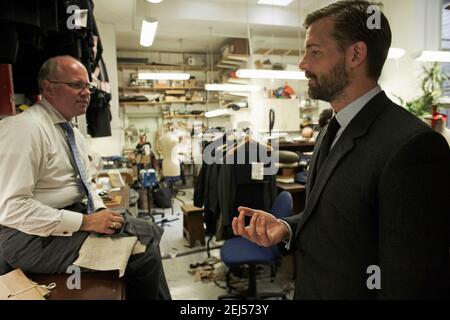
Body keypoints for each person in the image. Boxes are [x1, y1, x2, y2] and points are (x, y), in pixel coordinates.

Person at [233, 0, 450, 299]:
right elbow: (333, 218)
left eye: (315, 51)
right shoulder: (330, 132)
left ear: (356, 55)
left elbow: (413, 282)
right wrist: (286, 227)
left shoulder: (413, 147)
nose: (302, 63)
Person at [0, 55, 171, 300]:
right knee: (144, 251)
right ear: (48, 87)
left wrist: (100, 212)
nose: (86, 93)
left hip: (68, 220)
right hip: (29, 238)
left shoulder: (73, 133)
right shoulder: (25, 129)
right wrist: (86, 222)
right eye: (76, 85)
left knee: (148, 230)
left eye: (88, 86)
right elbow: (11, 209)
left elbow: (87, 183)